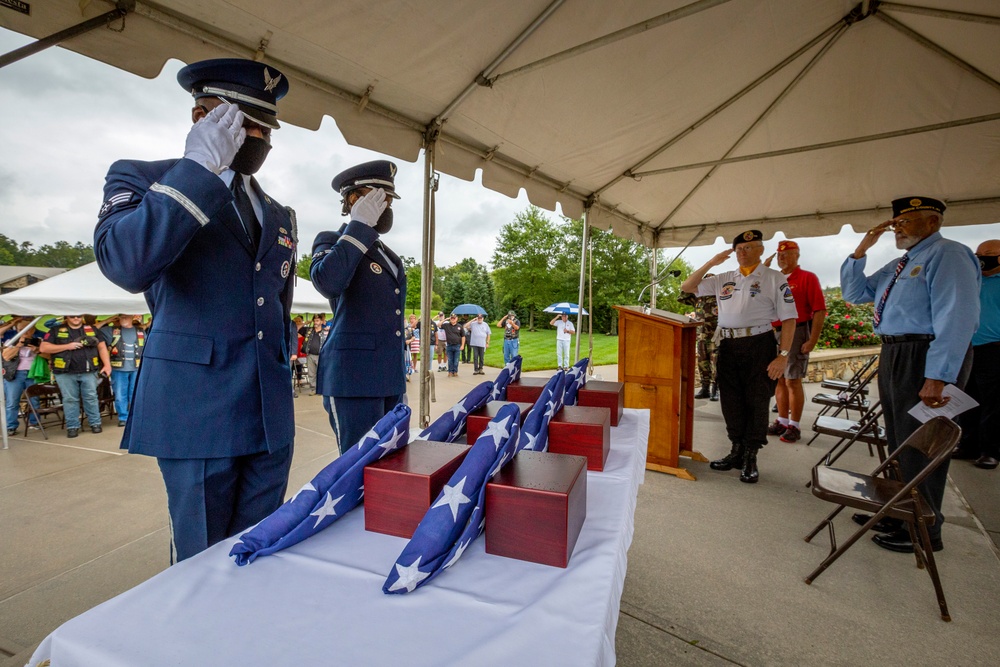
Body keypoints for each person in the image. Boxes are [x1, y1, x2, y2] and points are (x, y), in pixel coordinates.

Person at [93, 58, 297, 562]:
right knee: (201, 558)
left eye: (264, 126)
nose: (256, 137)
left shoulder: (278, 212)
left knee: (260, 551)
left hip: (268, 412)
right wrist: (197, 171)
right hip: (197, 408)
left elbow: (275, 303)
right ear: (201, 117)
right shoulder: (147, 179)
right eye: (242, 121)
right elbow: (126, 263)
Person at [841, 196, 979, 553]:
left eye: (907, 221)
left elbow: (957, 316)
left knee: (924, 443)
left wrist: (940, 375)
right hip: (896, 352)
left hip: (925, 355)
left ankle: (924, 527)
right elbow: (855, 294)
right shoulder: (902, 263)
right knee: (900, 439)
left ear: (932, 222)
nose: (897, 228)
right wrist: (862, 249)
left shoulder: (948, 254)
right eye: (896, 222)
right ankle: (898, 508)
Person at [681, 230, 797, 484]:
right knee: (731, 400)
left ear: (760, 250)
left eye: (748, 248)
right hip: (728, 344)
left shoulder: (774, 278)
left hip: (759, 343)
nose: (742, 253)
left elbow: (790, 319)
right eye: (739, 249)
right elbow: (687, 287)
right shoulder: (724, 278)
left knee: (755, 400)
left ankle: (751, 456)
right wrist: (712, 263)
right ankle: (736, 450)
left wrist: (783, 356)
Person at [311, 160, 407, 454]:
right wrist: (358, 227)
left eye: (388, 198)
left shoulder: (387, 253)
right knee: (358, 466)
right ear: (354, 199)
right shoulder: (332, 240)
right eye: (378, 196)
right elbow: (328, 281)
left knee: (389, 467)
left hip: (388, 378)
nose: (386, 205)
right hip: (353, 378)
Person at [764, 241, 827, 443]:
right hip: (773, 332)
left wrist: (812, 340)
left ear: (797, 256)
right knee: (778, 379)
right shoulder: (773, 278)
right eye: (779, 256)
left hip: (797, 331)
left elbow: (819, 310)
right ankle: (782, 421)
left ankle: (795, 425)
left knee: (793, 380)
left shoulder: (807, 278)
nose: (781, 258)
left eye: (786, 255)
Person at [953, 239, 1000, 470]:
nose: (982, 257)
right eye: (978, 253)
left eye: (988, 253)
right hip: (967, 348)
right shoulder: (971, 281)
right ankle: (967, 445)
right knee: (966, 399)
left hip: (995, 349)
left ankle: (990, 451)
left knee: (993, 403)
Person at [39, 315, 112, 438]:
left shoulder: (92, 329)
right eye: (72, 316)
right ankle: (72, 426)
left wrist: (107, 365)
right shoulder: (56, 330)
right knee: (70, 399)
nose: (76, 318)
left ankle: (95, 423)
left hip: (89, 371)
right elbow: (43, 348)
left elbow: (102, 347)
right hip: (64, 372)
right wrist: (67, 346)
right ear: (67, 316)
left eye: (78, 316)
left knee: (91, 397)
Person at [99, 314, 144, 427]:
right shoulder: (111, 330)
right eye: (121, 316)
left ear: (132, 317)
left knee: (135, 394)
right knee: (120, 394)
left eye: (126, 316)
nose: (124, 318)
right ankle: (123, 417)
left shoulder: (140, 331)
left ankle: (134, 417)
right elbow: (93, 329)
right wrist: (109, 319)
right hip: (118, 368)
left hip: (137, 368)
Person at [679, 281, 719, 401]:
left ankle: (715, 389)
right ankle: (704, 388)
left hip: (715, 335)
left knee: (715, 363)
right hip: (701, 335)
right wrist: (697, 281)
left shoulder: (720, 296)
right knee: (702, 363)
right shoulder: (697, 296)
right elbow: (682, 296)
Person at [3, 321, 41, 435]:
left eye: (28, 329)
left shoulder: (38, 341)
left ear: (33, 330)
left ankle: (34, 422)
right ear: (17, 331)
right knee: (12, 401)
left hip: (33, 373)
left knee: (34, 400)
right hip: (15, 374)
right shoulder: (11, 341)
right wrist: (19, 345)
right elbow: (6, 356)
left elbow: (47, 356)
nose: (25, 332)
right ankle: (11, 426)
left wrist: (36, 349)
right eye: (21, 330)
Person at [301, 314, 328, 395]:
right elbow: (296, 328)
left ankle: (322, 389)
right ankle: (314, 389)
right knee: (311, 373)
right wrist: (305, 323)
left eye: (317, 320)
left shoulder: (325, 331)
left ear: (321, 322)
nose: (315, 322)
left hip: (321, 355)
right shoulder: (309, 330)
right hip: (310, 355)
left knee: (322, 373)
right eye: (314, 320)